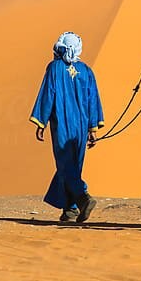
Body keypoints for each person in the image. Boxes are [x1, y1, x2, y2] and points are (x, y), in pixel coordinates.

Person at [30, 31, 105, 223]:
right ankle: (70, 210)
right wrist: (92, 129)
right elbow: (93, 100)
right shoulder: (86, 71)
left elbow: (48, 94)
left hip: (63, 123)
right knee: (73, 166)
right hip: (81, 125)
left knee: (65, 165)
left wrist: (41, 121)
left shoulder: (55, 68)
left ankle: (83, 197)